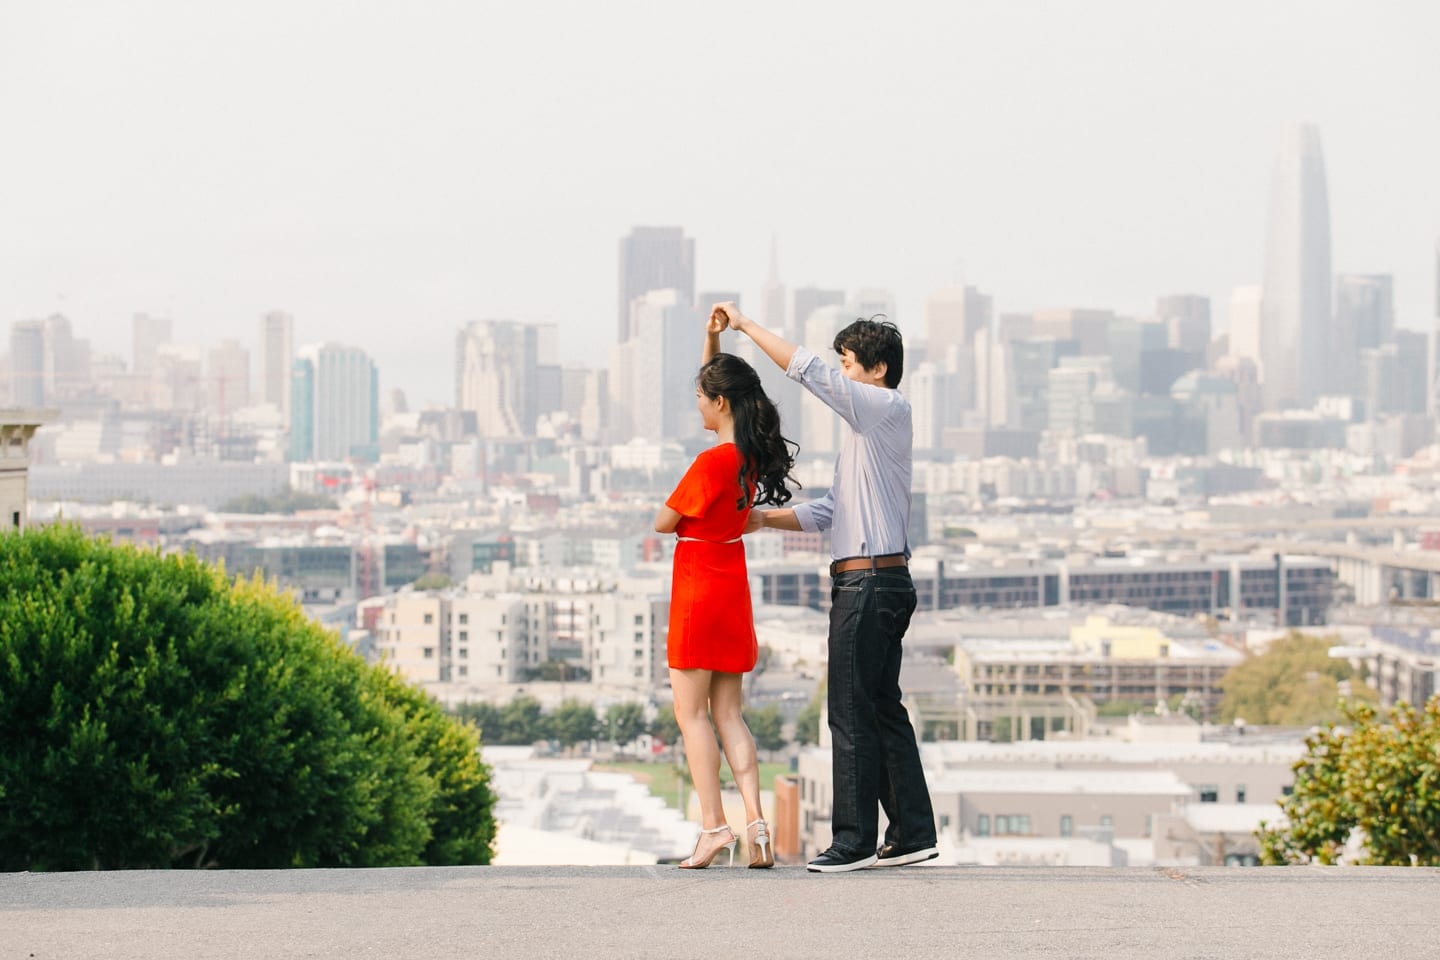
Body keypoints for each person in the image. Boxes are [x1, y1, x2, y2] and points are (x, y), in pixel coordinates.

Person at [713, 300, 938, 873]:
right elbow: (833, 511)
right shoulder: (866, 438)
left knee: (849, 712)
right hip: (879, 580)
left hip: (868, 585)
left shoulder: (884, 407)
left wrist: (744, 327)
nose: (841, 375)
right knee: (882, 709)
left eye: (848, 364)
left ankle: (854, 841)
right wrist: (765, 520)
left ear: (877, 369)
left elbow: (808, 371)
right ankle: (912, 832)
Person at [654, 309, 798, 869]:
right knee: (730, 714)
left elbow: (662, 523)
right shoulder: (750, 458)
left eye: (700, 397)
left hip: (696, 589)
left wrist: (683, 519)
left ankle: (714, 828)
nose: (696, 405)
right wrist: (714, 337)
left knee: (691, 717)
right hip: (731, 584)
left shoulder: (709, 462)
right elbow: (719, 377)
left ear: (719, 403)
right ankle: (757, 825)